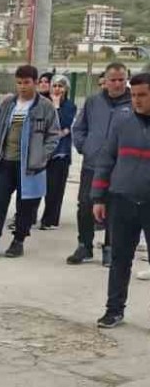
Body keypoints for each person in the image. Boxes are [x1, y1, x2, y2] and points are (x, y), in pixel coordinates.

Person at [0, 65, 62, 260]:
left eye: (27, 82)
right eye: (19, 83)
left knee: (26, 205)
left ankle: (18, 240)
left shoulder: (45, 106)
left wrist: (42, 156)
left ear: (35, 83)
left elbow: (53, 135)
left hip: (30, 165)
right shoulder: (9, 103)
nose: (23, 87)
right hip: (5, 162)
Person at [91, 73, 150, 329]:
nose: (137, 100)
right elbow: (106, 160)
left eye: (143, 95)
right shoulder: (122, 122)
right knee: (120, 258)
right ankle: (114, 310)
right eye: (134, 95)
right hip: (122, 200)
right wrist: (98, 197)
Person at [69, 63, 132, 267]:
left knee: (115, 208)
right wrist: (85, 147)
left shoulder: (134, 103)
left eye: (121, 79)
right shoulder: (93, 102)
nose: (117, 84)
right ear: (104, 80)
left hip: (121, 166)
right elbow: (79, 128)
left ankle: (110, 248)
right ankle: (84, 246)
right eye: (112, 79)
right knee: (86, 205)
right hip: (92, 164)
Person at [40, 75, 76, 230]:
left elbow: (62, 123)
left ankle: (50, 220)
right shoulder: (42, 104)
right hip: (43, 152)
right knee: (38, 186)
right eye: (54, 85)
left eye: (61, 86)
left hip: (60, 153)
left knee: (55, 188)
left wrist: (56, 106)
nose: (57, 89)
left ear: (66, 89)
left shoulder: (69, 106)